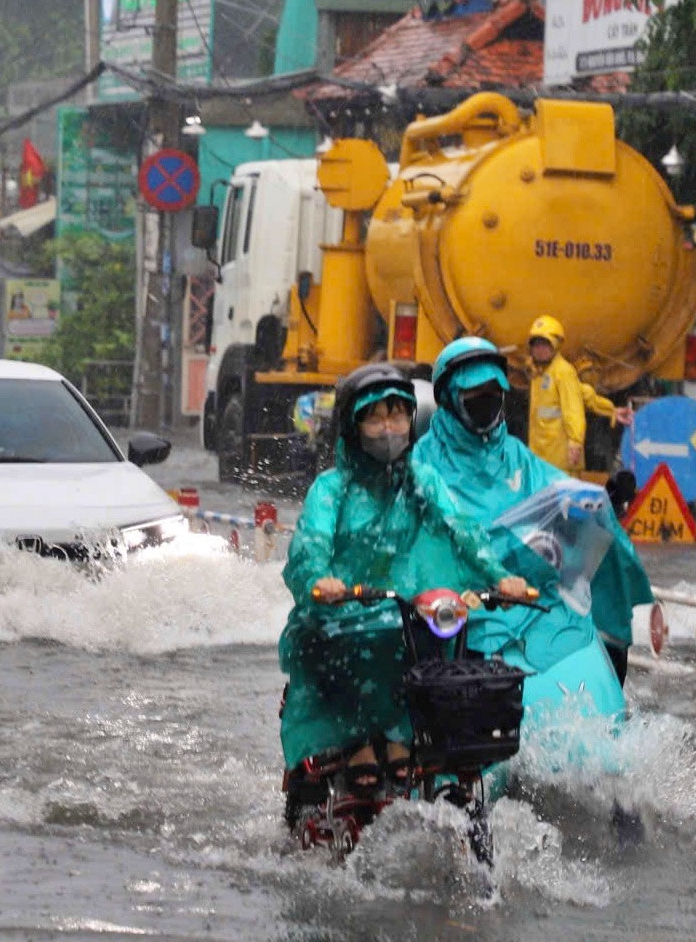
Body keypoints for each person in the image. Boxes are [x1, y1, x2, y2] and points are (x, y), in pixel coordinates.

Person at [278, 362, 528, 802]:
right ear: (353, 426)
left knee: (445, 651)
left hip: (408, 613)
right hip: (339, 617)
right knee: (347, 644)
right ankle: (355, 744)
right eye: (375, 417)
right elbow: (310, 546)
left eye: (397, 416)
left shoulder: (421, 479)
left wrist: (501, 578)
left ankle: (407, 740)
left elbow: (462, 531)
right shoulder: (331, 488)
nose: (388, 428)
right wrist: (321, 580)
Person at [414, 336, 654, 684]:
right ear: (450, 398)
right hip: (465, 601)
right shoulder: (425, 459)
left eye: (494, 393)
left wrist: (593, 504)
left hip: (533, 595)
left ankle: (609, 646)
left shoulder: (512, 452)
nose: (487, 403)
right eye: (474, 395)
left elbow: (554, 488)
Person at [525, 314, 589, 471]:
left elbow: (573, 409)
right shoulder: (538, 374)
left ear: (555, 345)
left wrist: (575, 441)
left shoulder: (564, 372)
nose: (540, 350)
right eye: (536, 345)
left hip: (561, 461)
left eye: (545, 344)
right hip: (541, 458)